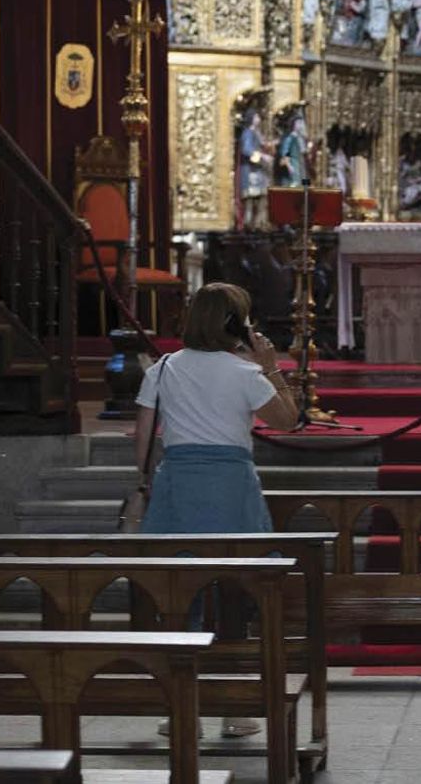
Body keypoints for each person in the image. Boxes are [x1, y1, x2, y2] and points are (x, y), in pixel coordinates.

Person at [133, 282, 300, 738]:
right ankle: (236, 708)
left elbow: (143, 439)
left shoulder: (163, 369)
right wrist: (272, 370)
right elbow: (287, 420)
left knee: (180, 595)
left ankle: (181, 707)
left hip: (180, 486)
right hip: (230, 486)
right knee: (236, 592)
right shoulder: (245, 374)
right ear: (236, 323)